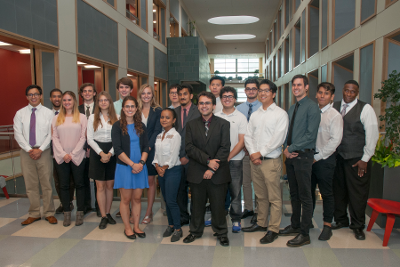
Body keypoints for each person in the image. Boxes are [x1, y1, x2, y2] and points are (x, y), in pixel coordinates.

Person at [331, 80, 379, 240]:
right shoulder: (334, 106)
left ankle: (358, 226)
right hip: (338, 157)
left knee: (357, 194)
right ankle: (341, 220)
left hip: (357, 159)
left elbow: (372, 135)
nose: (349, 94)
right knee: (339, 191)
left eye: (353, 91)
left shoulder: (365, 109)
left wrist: (365, 159)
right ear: (342, 91)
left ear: (357, 93)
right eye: (346, 90)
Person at [243, 79, 289, 245]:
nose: (262, 93)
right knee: (261, 195)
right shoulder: (255, 114)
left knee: (274, 198)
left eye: (266, 91)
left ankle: (273, 229)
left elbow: (278, 139)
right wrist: (254, 154)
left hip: (270, 161)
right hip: (255, 161)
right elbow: (248, 136)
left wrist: (258, 153)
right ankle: (262, 223)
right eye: (260, 90)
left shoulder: (280, 114)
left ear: (273, 93)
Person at [183, 91, 231, 247]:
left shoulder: (224, 124)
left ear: (214, 106)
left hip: (218, 172)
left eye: (207, 103)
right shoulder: (191, 125)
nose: (204, 106)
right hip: (197, 171)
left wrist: (212, 168)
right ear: (198, 106)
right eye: (201, 103)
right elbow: (189, 148)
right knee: (196, 206)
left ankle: (221, 232)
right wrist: (208, 161)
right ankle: (195, 231)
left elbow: (225, 148)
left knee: (218, 206)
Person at [279, 74, 321, 247]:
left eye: (299, 85)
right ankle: (295, 225)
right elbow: (288, 132)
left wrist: (292, 148)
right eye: (294, 85)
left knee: (305, 196)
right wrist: (285, 149)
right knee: (294, 194)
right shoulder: (292, 107)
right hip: (290, 157)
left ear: (306, 87)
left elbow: (311, 135)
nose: (296, 88)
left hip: (303, 156)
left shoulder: (312, 107)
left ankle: (305, 233)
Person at [13, 85, 57, 225]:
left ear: (40, 96)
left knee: (46, 184)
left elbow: (51, 134)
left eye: (36, 94)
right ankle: (34, 213)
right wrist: (29, 150)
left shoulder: (49, 113)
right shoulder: (20, 114)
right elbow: (18, 134)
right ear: (27, 97)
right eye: (30, 94)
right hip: (26, 152)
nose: (33, 97)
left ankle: (49, 213)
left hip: (44, 151)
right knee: (30, 184)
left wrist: (40, 149)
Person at [112, 96, 149, 239]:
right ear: (123, 109)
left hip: (140, 166)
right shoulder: (117, 126)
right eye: (127, 106)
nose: (129, 109)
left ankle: (137, 226)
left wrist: (141, 163)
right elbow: (118, 149)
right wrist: (132, 164)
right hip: (125, 166)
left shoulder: (141, 126)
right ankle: (127, 228)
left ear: (136, 108)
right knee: (126, 199)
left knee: (138, 198)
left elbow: (146, 146)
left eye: (132, 106)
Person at [310, 82, 343, 241]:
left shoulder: (335, 115)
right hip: (309, 159)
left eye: (326, 93)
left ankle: (327, 225)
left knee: (327, 193)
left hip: (325, 160)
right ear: (316, 94)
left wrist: (317, 157)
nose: (322, 96)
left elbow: (335, 141)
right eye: (320, 92)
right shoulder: (312, 111)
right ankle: (307, 221)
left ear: (332, 97)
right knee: (308, 193)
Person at [52, 91, 88, 227]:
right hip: (61, 157)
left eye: (69, 100)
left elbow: (83, 137)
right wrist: (63, 154)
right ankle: (67, 212)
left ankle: (80, 212)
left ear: (74, 101)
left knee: (80, 184)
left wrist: (72, 154)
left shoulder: (82, 117)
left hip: (78, 156)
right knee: (64, 185)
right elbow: (54, 137)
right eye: (64, 100)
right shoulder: (56, 118)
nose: (67, 102)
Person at [215, 86, 247, 233]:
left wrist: (228, 156)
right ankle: (218, 217)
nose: (227, 99)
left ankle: (236, 219)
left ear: (235, 99)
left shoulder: (241, 117)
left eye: (230, 96)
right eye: (224, 97)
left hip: (234, 160)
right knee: (218, 191)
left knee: (235, 191)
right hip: (217, 161)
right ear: (221, 99)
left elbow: (241, 141)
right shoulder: (215, 116)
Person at [87, 91, 119, 229]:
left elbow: (118, 139)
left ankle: (108, 212)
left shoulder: (117, 117)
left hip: (112, 151)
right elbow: (89, 138)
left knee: (109, 186)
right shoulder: (92, 117)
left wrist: (110, 153)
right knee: (100, 186)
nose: (104, 102)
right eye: (101, 100)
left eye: (106, 100)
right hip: (96, 151)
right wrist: (101, 153)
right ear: (98, 103)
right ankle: (103, 216)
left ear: (110, 102)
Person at [153, 108, 183, 242]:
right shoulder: (159, 136)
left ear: (174, 120)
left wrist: (163, 167)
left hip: (172, 170)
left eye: (167, 117)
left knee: (171, 200)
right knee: (166, 199)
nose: (164, 120)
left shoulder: (175, 135)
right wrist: (157, 166)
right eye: (162, 117)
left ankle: (178, 228)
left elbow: (174, 155)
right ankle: (170, 225)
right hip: (161, 171)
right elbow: (156, 155)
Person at [174, 84, 201, 225]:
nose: (182, 96)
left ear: (191, 96)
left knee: (196, 191)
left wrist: (188, 156)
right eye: (180, 94)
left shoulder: (199, 111)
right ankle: (183, 216)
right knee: (180, 190)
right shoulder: (174, 112)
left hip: (194, 159)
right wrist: (177, 156)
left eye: (185, 94)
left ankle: (196, 218)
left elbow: (201, 138)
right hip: (177, 158)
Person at [236, 78, 261, 224]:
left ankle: (259, 210)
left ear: (257, 90)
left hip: (258, 152)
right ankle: (249, 208)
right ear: (245, 91)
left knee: (258, 182)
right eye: (248, 88)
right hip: (243, 152)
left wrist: (254, 149)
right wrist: (244, 146)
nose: (251, 91)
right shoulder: (239, 109)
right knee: (245, 182)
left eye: (253, 88)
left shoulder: (263, 108)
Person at [137, 84, 162, 224]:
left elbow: (158, 130)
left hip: (152, 150)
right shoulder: (135, 110)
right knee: (138, 181)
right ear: (140, 95)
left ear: (152, 95)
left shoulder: (157, 110)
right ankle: (136, 210)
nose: (146, 95)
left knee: (151, 181)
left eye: (149, 93)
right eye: (143, 93)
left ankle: (149, 212)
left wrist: (148, 147)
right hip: (136, 149)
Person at [50, 88, 75, 214]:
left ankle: (69, 202)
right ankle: (63, 202)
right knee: (58, 180)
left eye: (60, 97)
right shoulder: (49, 115)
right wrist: (61, 153)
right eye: (54, 97)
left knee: (71, 180)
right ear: (50, 99)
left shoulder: (74, 115)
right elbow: (52, 135)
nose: (57, 99)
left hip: (72, 152)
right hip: (55, 151)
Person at [113, 77, 134, 218]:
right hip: (118, 149)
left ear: (131, 89)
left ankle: (131, 208)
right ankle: (125, 208)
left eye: (126, 87)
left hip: (133, 148)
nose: (124, 90)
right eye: (121, 87)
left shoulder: (134, 104)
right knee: (123, 182)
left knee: (133, 183)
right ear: (118, 89)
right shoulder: (112, 106)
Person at [78, 83, 98, 215]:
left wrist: (93, 147)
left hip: (97, 148)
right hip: (80, 149)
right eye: (84, 91)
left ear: (94, 93)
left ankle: (99, 206)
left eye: (90, 91)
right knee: (82, 178)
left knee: (98, 179)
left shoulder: (101, 107)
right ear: (81, 94)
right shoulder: (76, 109)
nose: (87, 93)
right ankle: (85, 206)